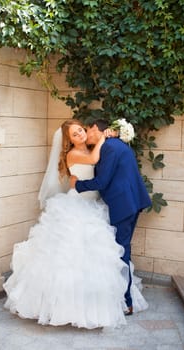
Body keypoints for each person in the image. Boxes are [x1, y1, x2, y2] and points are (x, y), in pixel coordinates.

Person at [3, 119, 148, 329]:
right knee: (71, 257)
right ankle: (67, 307)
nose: (80, 134)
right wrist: (103, 137)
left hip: (94, 205)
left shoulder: (95, 146)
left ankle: (108, 301)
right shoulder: (76, 154)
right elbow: (93, 158)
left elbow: (99, 165)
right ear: (68, 141)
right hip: (78, 205)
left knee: (103, 255)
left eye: (81, 130)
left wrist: (106, 136)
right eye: (75, 134)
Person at [70, 119, 152, 316]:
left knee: (121, 251)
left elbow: (102, 181)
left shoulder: (110, 148)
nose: (86, 136)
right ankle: (121, 298)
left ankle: (126, 302)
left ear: (95, 128)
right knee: (120, 249)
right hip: (130, 203)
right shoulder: (113, 144)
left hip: (123, 206)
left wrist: (77, 185)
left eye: (86, 130)